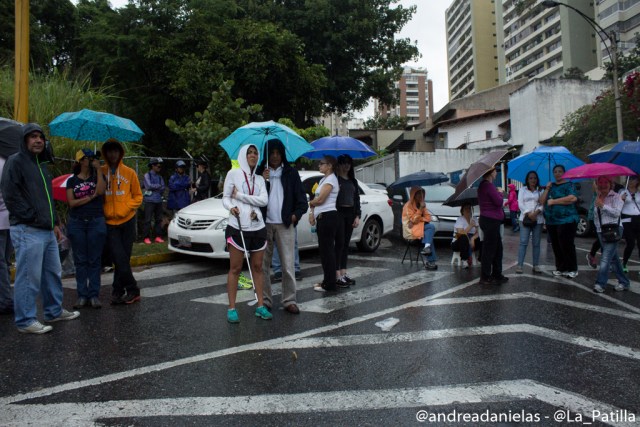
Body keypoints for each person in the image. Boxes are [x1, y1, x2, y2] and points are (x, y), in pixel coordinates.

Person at [1, 123, 80, 333]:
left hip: (46, 230)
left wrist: (53, 222)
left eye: (40, 137)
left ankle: (53, 311)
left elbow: (48, 199)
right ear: (24, 140)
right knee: (29, 277)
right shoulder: (15, 161)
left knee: (53, 272)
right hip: (28, 229)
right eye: (33, 137)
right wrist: (31, 217)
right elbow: (10, 195)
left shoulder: (42, 166)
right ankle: (26, 321)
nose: (38, 140)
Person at [257, 139, 307, 314]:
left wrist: (295, 215)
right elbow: (252, 197)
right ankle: (265, 300)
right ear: (267, 154)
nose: (275, 156)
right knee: (262, 265)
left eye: (278, 152)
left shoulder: (291, 173)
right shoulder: (259, 173)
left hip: (285, 224)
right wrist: (262, 181)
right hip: (263, 225)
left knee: (287, 264)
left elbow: (302, 201)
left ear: (282, 154)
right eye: (272, 153)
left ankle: (289, 300)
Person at [222, 144, 271, 323]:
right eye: (249, 153)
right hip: (237, 226)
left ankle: (260, 306)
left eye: (255, 153)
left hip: (257, 228)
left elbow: (264, 201)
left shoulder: (259, 179)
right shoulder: (233, 174)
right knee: (235, 268)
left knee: (257, 267)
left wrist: (241, 196)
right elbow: (226, 197)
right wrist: (232, 207)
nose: (253, 155)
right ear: (244, 155)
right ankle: (232, 308)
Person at [101, 138, 143, 305]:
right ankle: (132, 289)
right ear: (105, 153)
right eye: (109, 151)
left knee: (123, 258)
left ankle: (117, 290)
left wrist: (126, 207)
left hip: (127, 221)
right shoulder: (101, 172)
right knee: (119, 258)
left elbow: (138, 196)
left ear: (120, 153)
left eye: (115, 151)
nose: (112, 154)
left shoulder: (129, 172)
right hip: (109, 223)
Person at [66, 148, 107, 309]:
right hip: (77, 222)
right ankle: (82, 294)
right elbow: (71, 202)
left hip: (96, 220)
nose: (89, 160)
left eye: (91, 158)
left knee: (95, 259)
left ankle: (94, 294)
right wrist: (90, 197)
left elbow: (101, 191)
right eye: (87, 158)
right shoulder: (72, 181)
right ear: (80, 161)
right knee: (80, 260)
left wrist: (98, 169)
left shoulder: (98, 175)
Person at [540, 164, 579, 278]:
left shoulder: (569, 185)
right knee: (556, 246)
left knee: (567, 245)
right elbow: (542, 201)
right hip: (552, 221)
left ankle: (572, 268)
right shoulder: (550, 186)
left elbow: (572, 198)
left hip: (567, 220)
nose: (557, 173)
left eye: (560, 171)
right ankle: (561, 268)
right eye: (555, 171)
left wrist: (554, 201)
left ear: (564, 173)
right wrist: (547, 189)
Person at [592, 176, 629, 293]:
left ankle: (600, 283)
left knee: (605, 257)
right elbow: (596, 216)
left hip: (614, 229)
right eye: (600, 182)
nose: (603, 184)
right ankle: (624, 282)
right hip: (601, 230)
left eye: (605, 182)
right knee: (614, 259)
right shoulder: (598, 196)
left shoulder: (616, 197)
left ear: (610, 184)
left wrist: (603, 206)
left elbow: (617, 213)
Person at [309, 156, 340, 292]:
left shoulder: (331, 179)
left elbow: (320, 199)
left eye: (322, 164)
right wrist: (312, 211)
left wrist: (311, 202)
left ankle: (330, 283)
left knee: (327, 251)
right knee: (324, 251)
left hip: (328, 217)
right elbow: (316, 199)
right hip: (322, 217)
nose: (319, 166)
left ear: (330, 166)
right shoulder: (323, 179)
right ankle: (326, 280)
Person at [478, 167, 507, 285]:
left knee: (497, 248)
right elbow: (499, 202)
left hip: (489, 220)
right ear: (491, 172)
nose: (496, 173)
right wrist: (500, 192)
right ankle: (485, 276)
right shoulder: (488, 186)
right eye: (495, 170)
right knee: (489, 250)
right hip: (491, 221)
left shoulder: (484, 186)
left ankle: (497, 274)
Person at [335, 154, 361, 286]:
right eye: (344, 162)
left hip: (350, 213)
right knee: (338, 244)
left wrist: (357, 216)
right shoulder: (335, 180)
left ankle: (344, 273)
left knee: (346, 245)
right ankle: (337, 274)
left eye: (349, 163)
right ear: (338, 164)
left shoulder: (353, 181)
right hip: (339, 213)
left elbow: (357, 199)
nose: (346, 165)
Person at [402, 186, 438, 270]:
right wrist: (420, 210)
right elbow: (412, 219)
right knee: (431, 228)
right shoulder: (408, 206)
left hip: (418, 227)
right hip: (409, 229)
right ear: (413, 195)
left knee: (429, 232)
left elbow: (428, 218)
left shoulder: (422, 204)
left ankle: (427, 249)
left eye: (422, 194)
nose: (420, 196)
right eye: (418, 194)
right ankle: (430, 260)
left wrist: (418, 220)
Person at [516, 171, 544, 274]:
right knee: (523, 242)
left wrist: (536, 213)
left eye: (535, 178)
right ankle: (520, 265)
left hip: (538, 219)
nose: (533, 180)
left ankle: (535, 265)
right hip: (525, 219)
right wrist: (529, 214)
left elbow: (542, 204)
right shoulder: (522, 190)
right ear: (527, 179)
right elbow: (520, 203)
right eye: (531, 178)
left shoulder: (540, 191)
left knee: (536, 243)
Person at [0, 156, 14, 315]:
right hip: (9, 220)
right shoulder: (7, 161)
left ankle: (5, 301)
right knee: (5, 262)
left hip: (3, 221)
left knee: (1, 263)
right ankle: (6, 298)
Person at [619, 175, 640, 273]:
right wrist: (621, 199)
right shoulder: (623, 192)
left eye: (634, 179)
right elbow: (618, 205)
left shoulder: (639, 193)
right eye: (630, 179)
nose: (632, 181)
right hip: (627, 219)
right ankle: (624, 262)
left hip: (638, 219)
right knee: (630, 243)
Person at [142, 157, 165, 244]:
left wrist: (155, 187)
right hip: (149, 201)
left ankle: (158, 237)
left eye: (160, 166)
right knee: (147, 220)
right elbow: (148, 186)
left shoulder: (160, 177)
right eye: (158, 166)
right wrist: (158, 186)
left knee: (158, 219)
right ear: (153, 166)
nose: (159, 168)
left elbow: (163, 187)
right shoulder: (147, 175)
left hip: (158, 200)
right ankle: (146, 237)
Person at [450, 204, 480, 269]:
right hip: (458, 241)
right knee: (463, 237)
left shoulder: (474, 219)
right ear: (462, 211)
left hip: (471, 241)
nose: (468, 210)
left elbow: (478, 232)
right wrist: (470, 226)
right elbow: (460, 233)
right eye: (466, 208)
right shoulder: (460, 219)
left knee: (482, 238)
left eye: (469, 208)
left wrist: (472, 238)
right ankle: (464, 260)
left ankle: (482, 259)